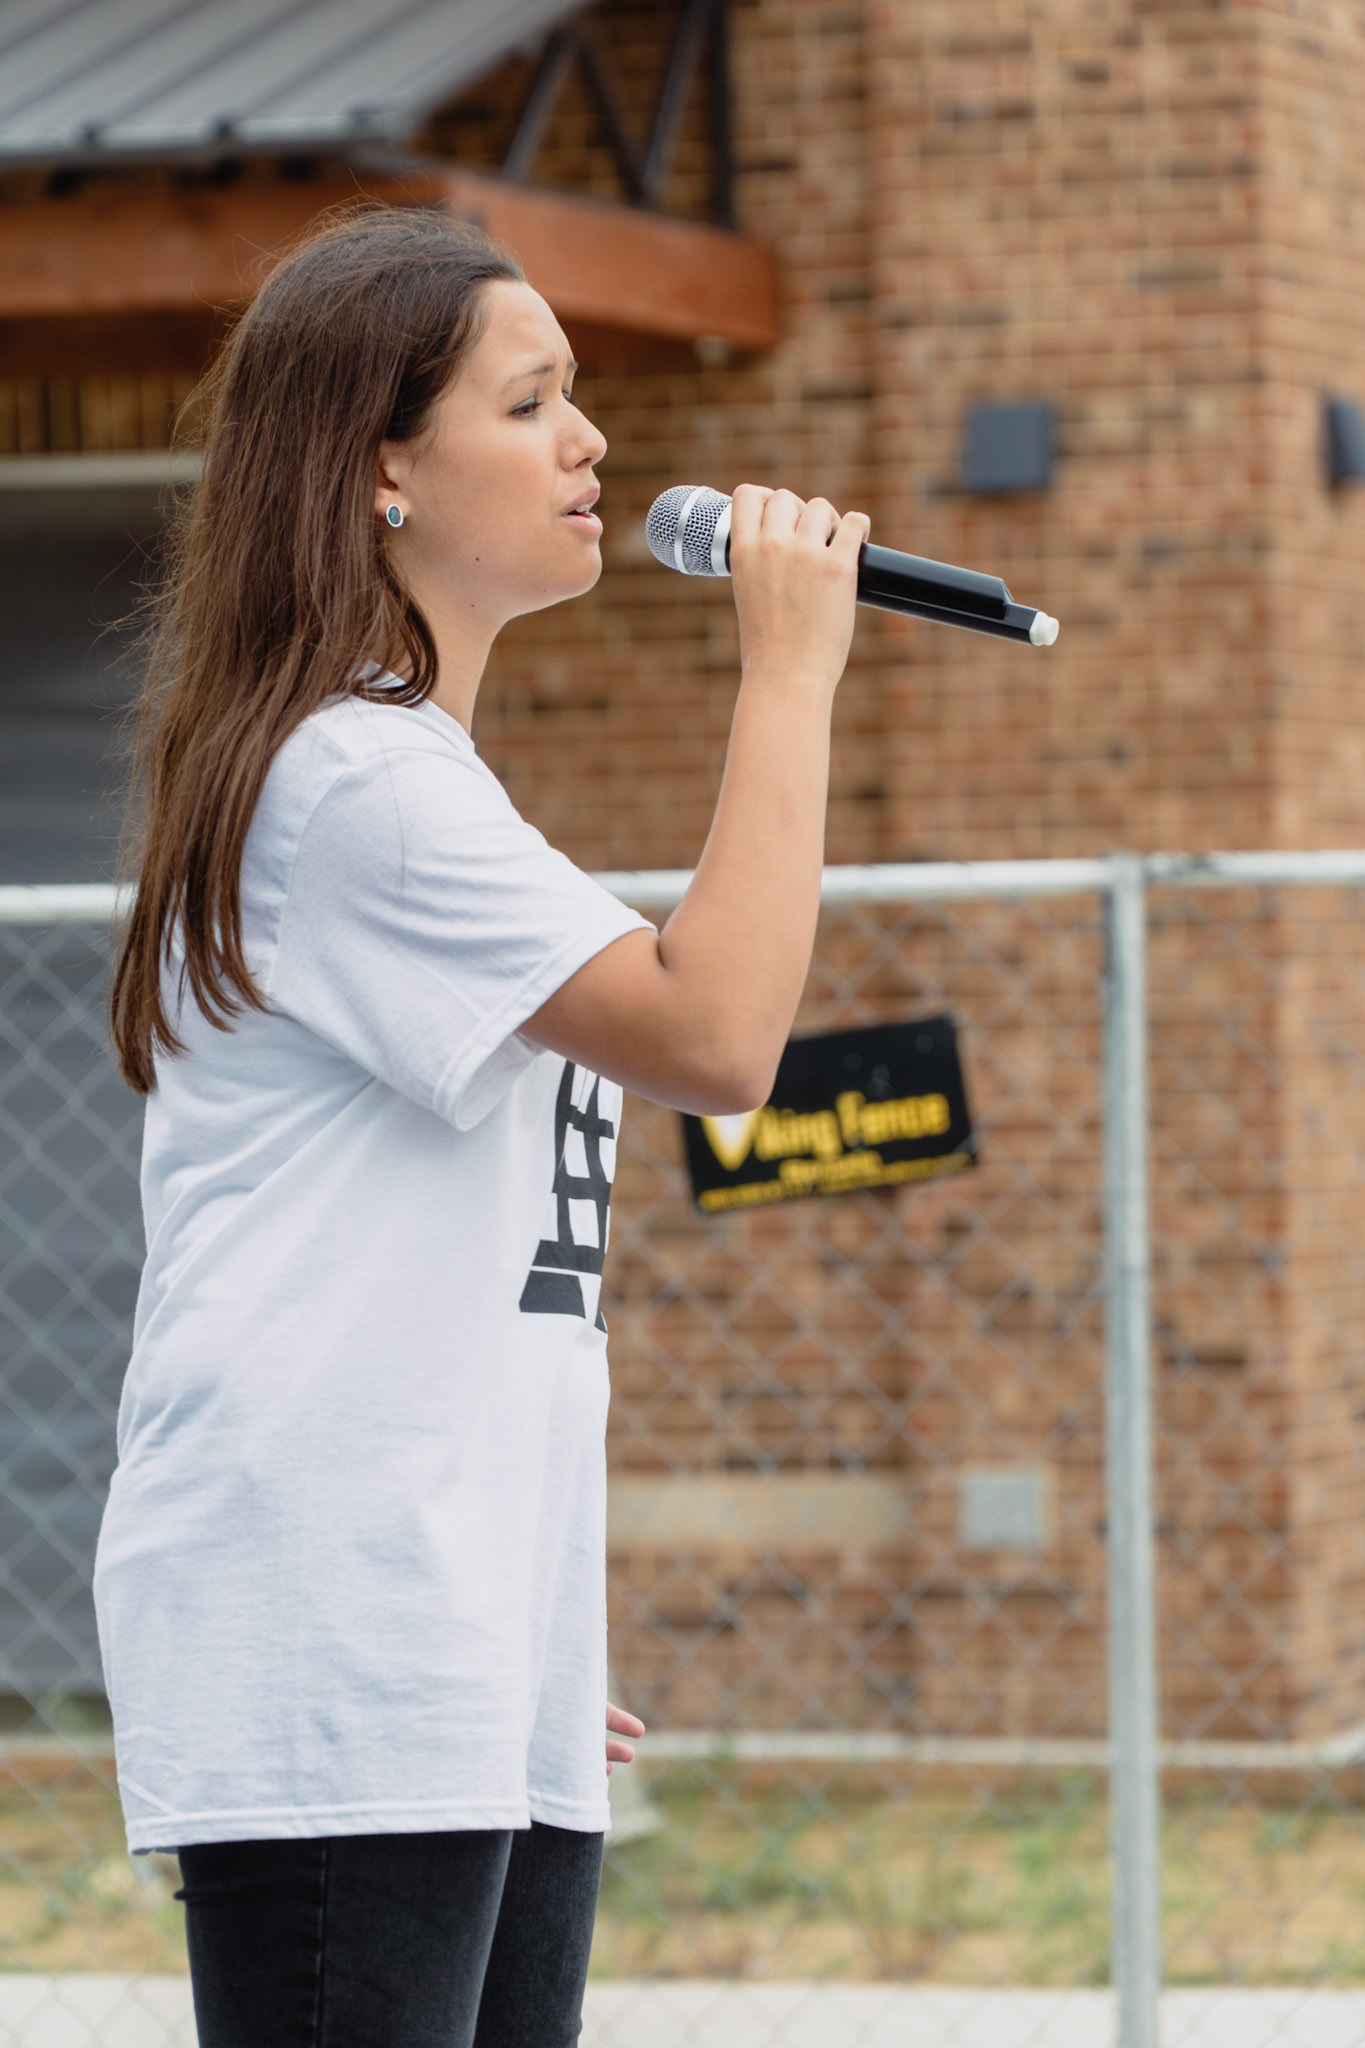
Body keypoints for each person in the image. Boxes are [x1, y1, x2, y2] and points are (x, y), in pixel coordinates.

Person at [95, 201, 870, 2048]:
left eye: (574, 396)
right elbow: (717, 1035)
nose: (589, 442)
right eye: (529, 405)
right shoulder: (352, 782)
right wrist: (788, 673)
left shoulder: (413, 778)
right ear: (379, 469)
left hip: (453, 1638)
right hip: (339, 1631)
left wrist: (501, 1619)